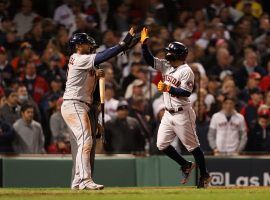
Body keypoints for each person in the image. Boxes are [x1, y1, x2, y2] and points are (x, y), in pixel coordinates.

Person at [61, 28, 138, 190]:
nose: (90, 46)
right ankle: (85, 180)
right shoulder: (78, 58)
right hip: (74, 103)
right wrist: (124, 42)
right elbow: (105, 55)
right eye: (86, 43)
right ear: (78, 46)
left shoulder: (86, 64)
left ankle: (77, 181)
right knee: (86, 141)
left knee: (85, 141)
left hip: (80, 105)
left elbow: (99, 62)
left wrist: (129, 45)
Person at [140, 27, 211, 188]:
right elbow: (150, 60)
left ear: (178, 55)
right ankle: (186, 164)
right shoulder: (167, 66)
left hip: (182, 113)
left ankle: (205, 175)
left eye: (170, 52)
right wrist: (144, 45)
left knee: (193, 147)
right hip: (168, 113)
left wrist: (168, 89)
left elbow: (186, 92)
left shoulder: (187, 71)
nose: (167, 54)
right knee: (161, 145)